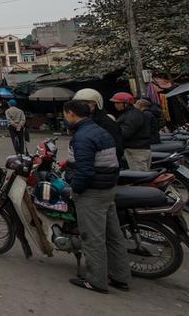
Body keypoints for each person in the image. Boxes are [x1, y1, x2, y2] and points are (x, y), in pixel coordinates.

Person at [63, 99, 130, 293]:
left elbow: (84, 172)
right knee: (113, 236)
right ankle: (120, 276)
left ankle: (96, 281)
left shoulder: (83, 137)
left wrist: (75, 189)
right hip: (107, 190)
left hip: (92, 193)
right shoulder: (100, 131)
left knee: (93, 239)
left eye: (65, 114)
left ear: (71, 114)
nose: (65, 118)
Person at [72, 88, 125, 168]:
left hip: (103, 168)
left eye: (86, 103)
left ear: (96, 103)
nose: (82, 106)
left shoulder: (107, 123)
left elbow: (117, 148)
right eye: (79, 104)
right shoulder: (84, 121)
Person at [112, 92, 151, 170]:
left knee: (139, 175)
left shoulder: (132, 115)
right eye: (115, 103)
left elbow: (124, 133)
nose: (115, 105)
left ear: (126, 104)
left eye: (118, 103)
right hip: (136, 149)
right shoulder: (129, 113)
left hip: (136, 151)